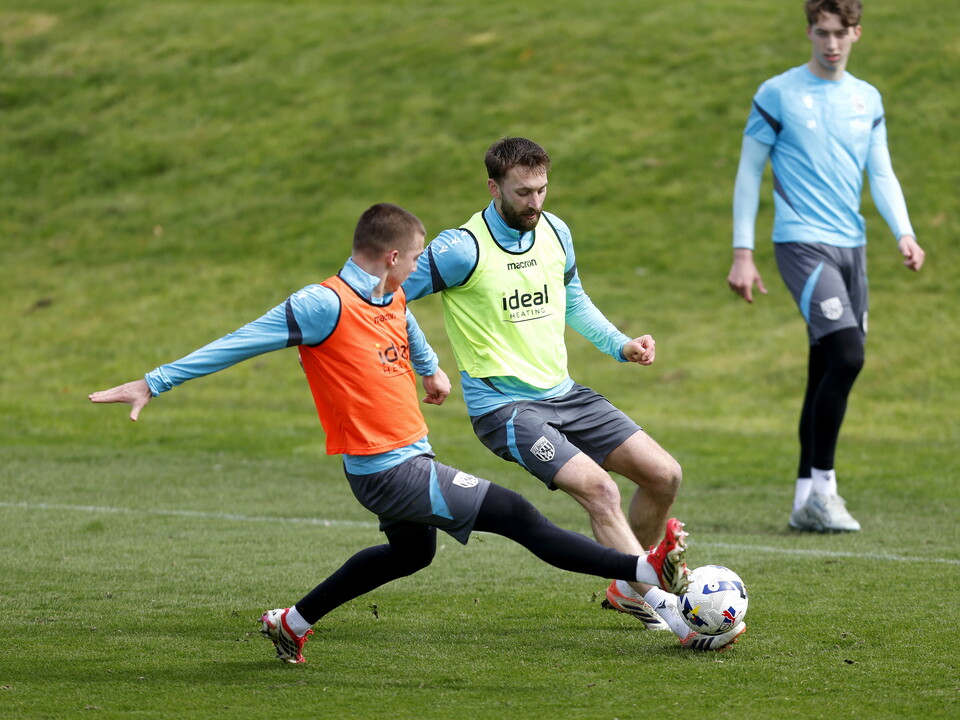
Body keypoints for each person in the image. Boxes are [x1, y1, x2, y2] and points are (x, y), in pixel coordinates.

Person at [89, 203, 744, 661]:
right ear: (394, 257)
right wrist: (155, 381)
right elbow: (240, 341)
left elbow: (404, 321)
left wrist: (431, 373)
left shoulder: (389, 293)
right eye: (417, 258)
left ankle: (290, 622)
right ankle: (644, 567)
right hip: (384, 468)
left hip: (406, 456)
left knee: (411, 555)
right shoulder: (324, 304)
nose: (422, 268)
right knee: (515, 513)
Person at [401, 138, 688, 630]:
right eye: (522, 193)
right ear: (493, 188)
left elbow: (572, 297)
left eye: (542, 190)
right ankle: (670, 610)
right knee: (600, 490)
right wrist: (427, 363)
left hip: (566, 394)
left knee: (665, 475)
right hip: (504, 408)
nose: (535, 203)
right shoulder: (461, 250)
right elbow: (386, 298)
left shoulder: (555, 230)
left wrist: (620, 344)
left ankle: (629, 588)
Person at [726, 0, 925, 533]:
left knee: (824, 365)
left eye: (841, 33)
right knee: (848, 353)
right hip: (801, 244)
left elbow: (881, 174)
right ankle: (826, 489)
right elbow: (749, 173)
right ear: (810, 32)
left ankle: (802, 500)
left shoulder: (867, 99)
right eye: (821, 32)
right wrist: (742, 252)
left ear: (856, 33)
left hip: (851, 247)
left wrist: (902, 231)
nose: (831, 43)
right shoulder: (778, 94)